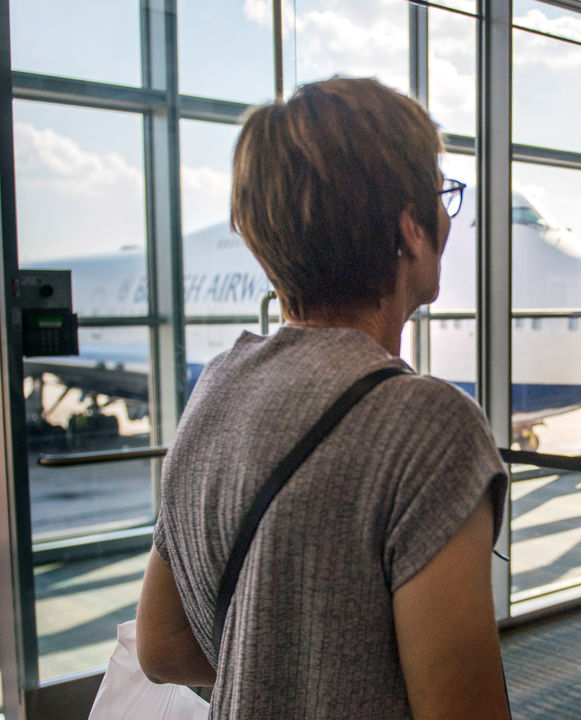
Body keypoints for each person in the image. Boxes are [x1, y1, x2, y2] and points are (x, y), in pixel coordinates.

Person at [135, 77, 511, 719]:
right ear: (409, 230)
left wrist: (279, 678)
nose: (447, 218)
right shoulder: (427, 428)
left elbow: (162, 645)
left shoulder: (217, 388)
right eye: (440, 197)